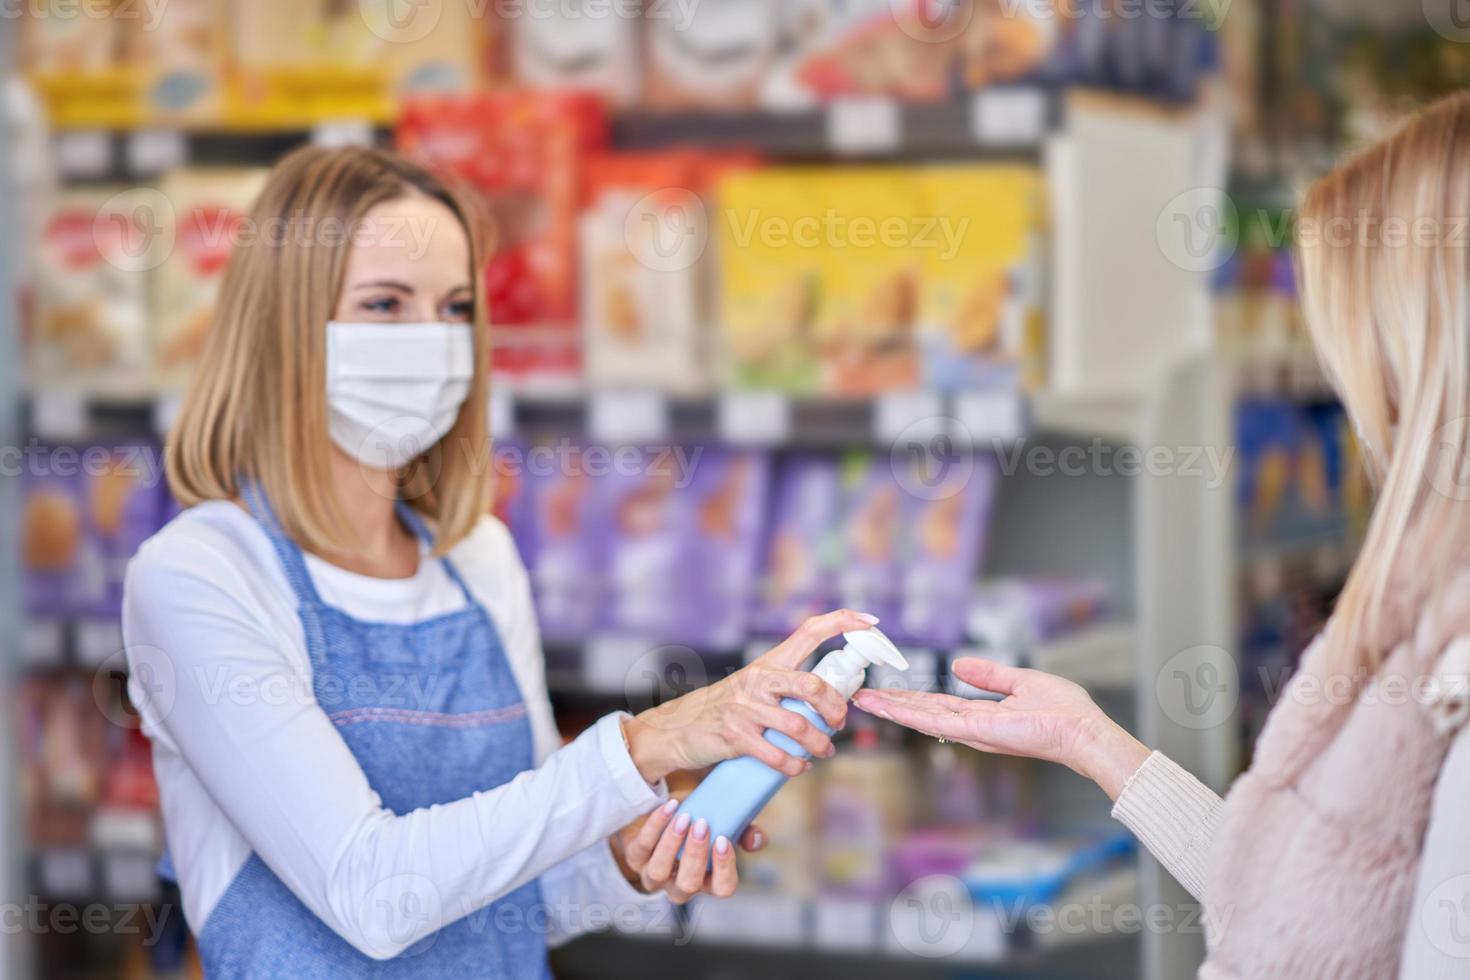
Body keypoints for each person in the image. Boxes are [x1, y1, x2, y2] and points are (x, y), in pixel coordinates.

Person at [121, 145, 877, 978]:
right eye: (384, 304)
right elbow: (372, 894)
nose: (434, 341)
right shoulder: (200, 574)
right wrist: (645, 744)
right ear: (283, 327)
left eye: (455, 308)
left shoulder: (476, 559)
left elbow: (521, 899)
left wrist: (628, 857)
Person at [855, 92, 1470, 979]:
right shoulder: (1428, 612)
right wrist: (1093, 744)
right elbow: (1313, 919)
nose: (1361, 409)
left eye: (1359, 356)